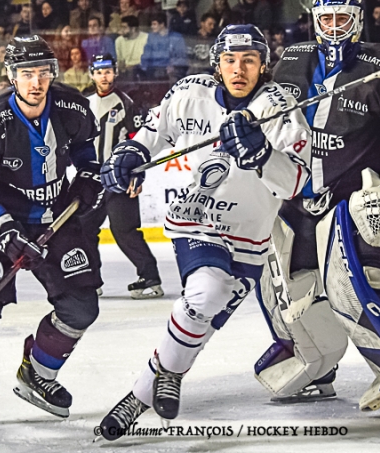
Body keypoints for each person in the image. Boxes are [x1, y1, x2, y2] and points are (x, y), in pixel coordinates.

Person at [97, 24, 310, 440]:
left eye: (249, 60)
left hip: (250, 238)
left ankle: (141, 392)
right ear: (217, 64)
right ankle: (166, 377)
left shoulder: (280, 109)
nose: (239, 68)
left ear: (264, 65)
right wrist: (131, 152)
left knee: (201, 323)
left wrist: (262, 154)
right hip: (197, 219)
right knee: (206, 294)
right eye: (230, 60)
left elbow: (295, 184)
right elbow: (153, 134)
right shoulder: (190, 93)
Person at [254, 0, 380, 417]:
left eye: (343, 19)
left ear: (357, 22)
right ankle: (313, 363)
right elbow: (264, 114)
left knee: (357, 285)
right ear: (315, 22)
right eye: (327, 19)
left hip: (356, 198)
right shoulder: (293, 61)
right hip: (298, 195)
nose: (335, 27)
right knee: (284, 283)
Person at [0, 35, 105, 429]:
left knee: (82, 306)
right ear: (11, 76)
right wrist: (9, 235)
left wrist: (86, 176)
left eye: (43, 72)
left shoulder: (71, 106)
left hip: (54, 217)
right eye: (26, 73)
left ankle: (38, 375)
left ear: (53, 73)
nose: (36, 82)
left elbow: (85, 147)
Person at [82, 53, 163, 299]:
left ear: (115, 72)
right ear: (92, 74)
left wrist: (137, 176)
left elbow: (139, 143)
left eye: (108, 71)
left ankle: (150, 279)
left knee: (123, 230)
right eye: (99, 71)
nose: (104, 76)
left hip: (119, 178)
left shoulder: (126, 103)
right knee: (84, 229)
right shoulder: (84, 104)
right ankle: (90, 281)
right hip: (92, 179)